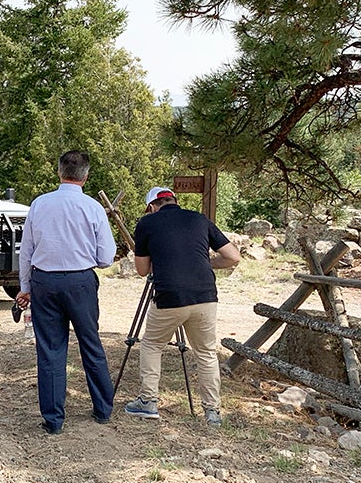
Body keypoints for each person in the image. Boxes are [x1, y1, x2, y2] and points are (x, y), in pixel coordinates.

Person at [15, 151, 117, 435]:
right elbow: (107, 256)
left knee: (49, 349)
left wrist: (25, 288)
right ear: (86, 176)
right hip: (81, 281)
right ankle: (102, 409)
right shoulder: (93, 207)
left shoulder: (39, 204)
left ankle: (53, 419)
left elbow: (27, 251)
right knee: (90, 343)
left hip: (44, 282)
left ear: (59, 172)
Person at [125, 186, 241, 427]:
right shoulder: (199, 218)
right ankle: (212, 412)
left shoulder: (147, 224)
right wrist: (205, 263)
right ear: (174, 201)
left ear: (151, 206)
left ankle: (148, 401)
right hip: (205, 295)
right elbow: (233, 256)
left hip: (170, 295)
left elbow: (142, 270)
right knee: (206, 353)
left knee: (152, 344)